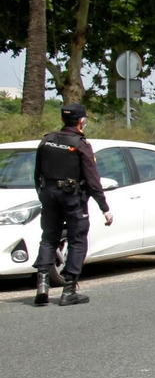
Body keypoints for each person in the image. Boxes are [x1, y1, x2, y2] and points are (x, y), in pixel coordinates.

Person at [32, 103, 112, 306]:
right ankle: (69, 290)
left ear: (62, 119)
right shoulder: (80, 144)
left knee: (49, 238)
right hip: (72, 197)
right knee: (77, 239)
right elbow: (93, 179)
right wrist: (104, 207)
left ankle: (42, 285)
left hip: (49, 194)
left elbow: (37, 173)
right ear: (81, 121)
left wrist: (42, 194)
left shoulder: (47, 140)